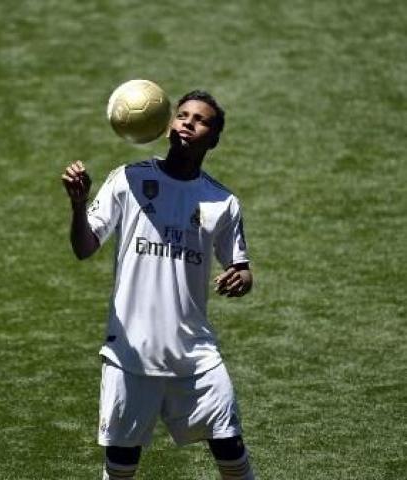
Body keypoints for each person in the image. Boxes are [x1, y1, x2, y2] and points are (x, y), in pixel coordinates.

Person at [61, 90, 255, 479]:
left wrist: (242, 278)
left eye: (200, 120)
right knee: (122, 465)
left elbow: (241, 267)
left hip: (196, 354)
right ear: (167, 124)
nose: (188, 122)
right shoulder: (129, 179)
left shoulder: (222, 202)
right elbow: (85, 247)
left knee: (231, 449)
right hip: (130, 354)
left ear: (213, 138)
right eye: (182, 115)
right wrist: (78, 205)